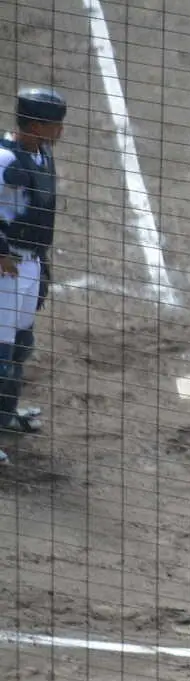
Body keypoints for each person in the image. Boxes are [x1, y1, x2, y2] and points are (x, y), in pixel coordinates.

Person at [0, 88, 65, 464]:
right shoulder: (6, 157)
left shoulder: (41, 154)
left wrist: (41, 266)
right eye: (55, 124)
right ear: (38, 124)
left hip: (29, 265)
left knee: (21, 345)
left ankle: (6, 415)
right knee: (2, 354)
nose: (60, 131)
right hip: (5, 268)